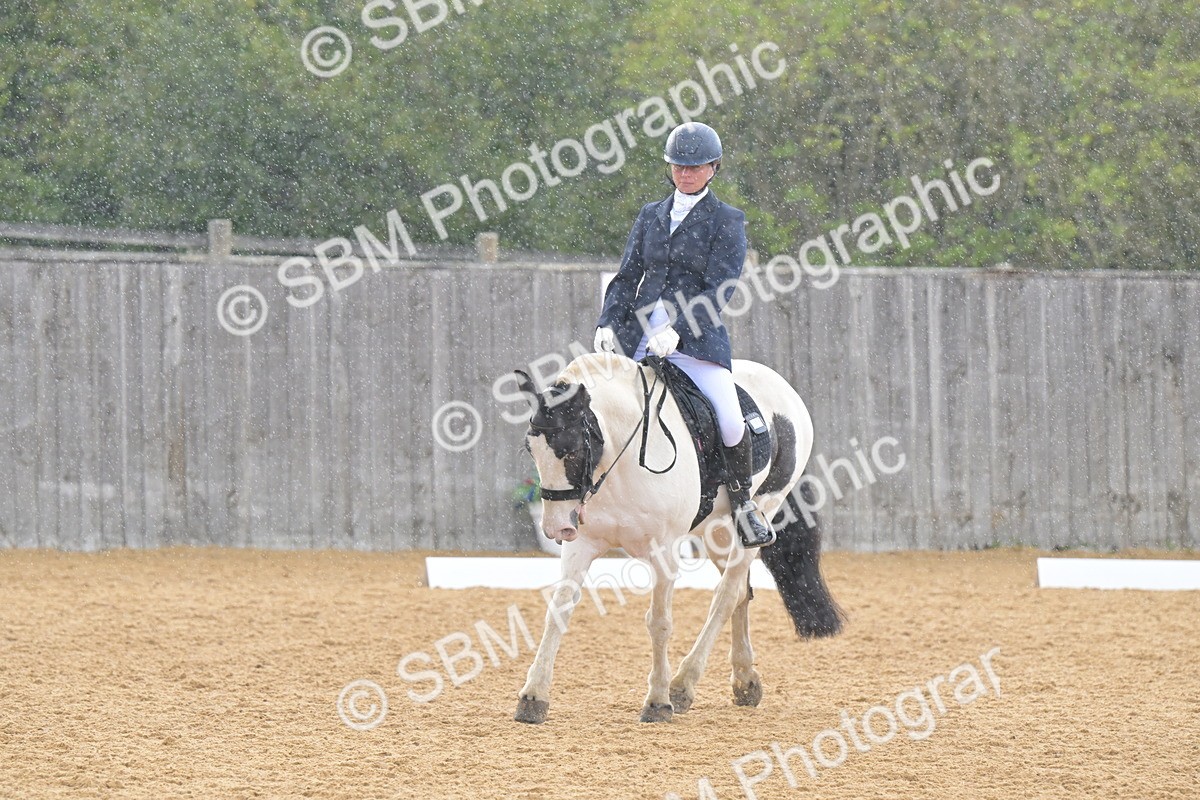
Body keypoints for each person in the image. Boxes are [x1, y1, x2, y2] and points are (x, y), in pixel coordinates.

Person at [593, 121, 774, 548]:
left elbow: (721, 287)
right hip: (637, 336)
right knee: (597, 410)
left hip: (694, 340)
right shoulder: (650, 215)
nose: (685, 174)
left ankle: (745, 505)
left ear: (713, 168)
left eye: (694, 168)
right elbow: (627, 276)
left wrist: (679, 330)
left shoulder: (727, 220)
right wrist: (606, 322)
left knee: (730, 421)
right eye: (678, 166)